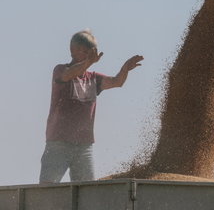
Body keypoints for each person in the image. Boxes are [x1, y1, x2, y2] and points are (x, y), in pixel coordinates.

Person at [39, 30, 144, 183]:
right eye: (87, 52)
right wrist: (89, 62)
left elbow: (117, 82)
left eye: (93, 52)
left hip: (84, 146)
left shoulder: (93, 78)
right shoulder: (60, 70)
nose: (92, 55)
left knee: (87, 192)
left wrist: (125, 69)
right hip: (58, 143)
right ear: (73, 51)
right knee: (47, 189)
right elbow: (68, 75)